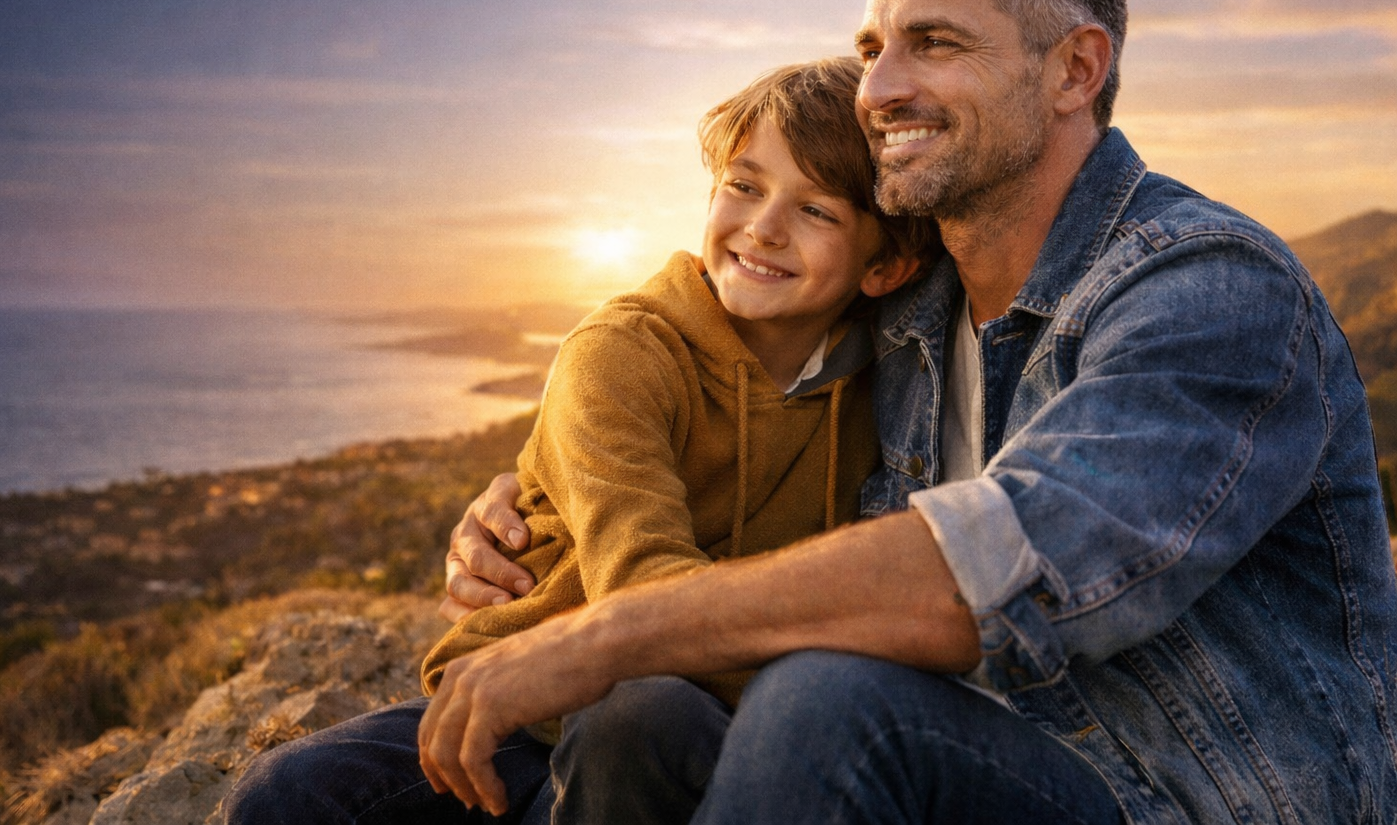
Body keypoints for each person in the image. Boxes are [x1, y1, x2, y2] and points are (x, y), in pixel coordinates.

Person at [426, 0, 1397, 825]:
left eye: (934, 43)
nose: (879, 89)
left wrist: (610, 630)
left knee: (825, 703)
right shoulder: (904, 311)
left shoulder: (1210, 290)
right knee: (566, 739)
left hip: (1169, 796)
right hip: (945, 763)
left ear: (1074, 70)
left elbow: (1005, 565)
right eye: (872, 48)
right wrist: (540, 496)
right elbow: (731, 377)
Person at [223, 58, 938, 823]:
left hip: (684, 732)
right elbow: (640, 589)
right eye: (744, 185)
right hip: (530, 710)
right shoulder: (622, 351)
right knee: (288, 793)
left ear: (886, 266)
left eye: (817, 210)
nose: (763, 227)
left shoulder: (893, 385)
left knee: (642, 714)